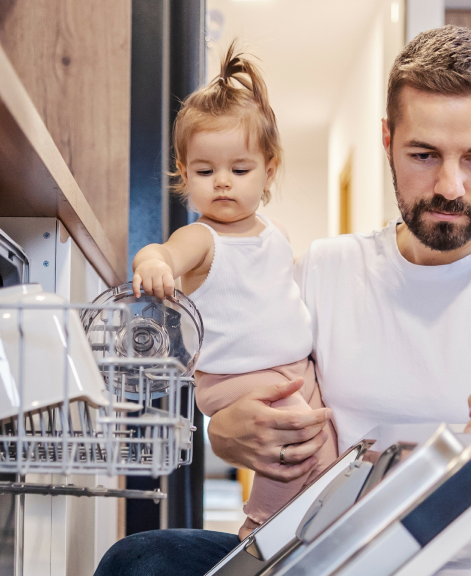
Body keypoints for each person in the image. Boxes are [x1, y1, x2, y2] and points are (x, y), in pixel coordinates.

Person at [96, 26, 471, 576]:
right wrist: (223, 429)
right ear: (387, 140)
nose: (450, 186)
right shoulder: (325, 269)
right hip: (335, 562)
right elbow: (244, 378)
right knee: (140, 561)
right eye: (424, 155)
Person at [130, 42, 338, 541]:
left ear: (269, 170)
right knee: (293, 437)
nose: (222, 183)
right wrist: (154, 264)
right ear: (185, 174)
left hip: (293, 369)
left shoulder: (275, 233)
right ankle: (260, 528)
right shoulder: (202, 239)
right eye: (205, 171)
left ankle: (316, 528)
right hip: (234, 377)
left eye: (239, 170)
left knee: (327, 448)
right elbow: (158, 253)